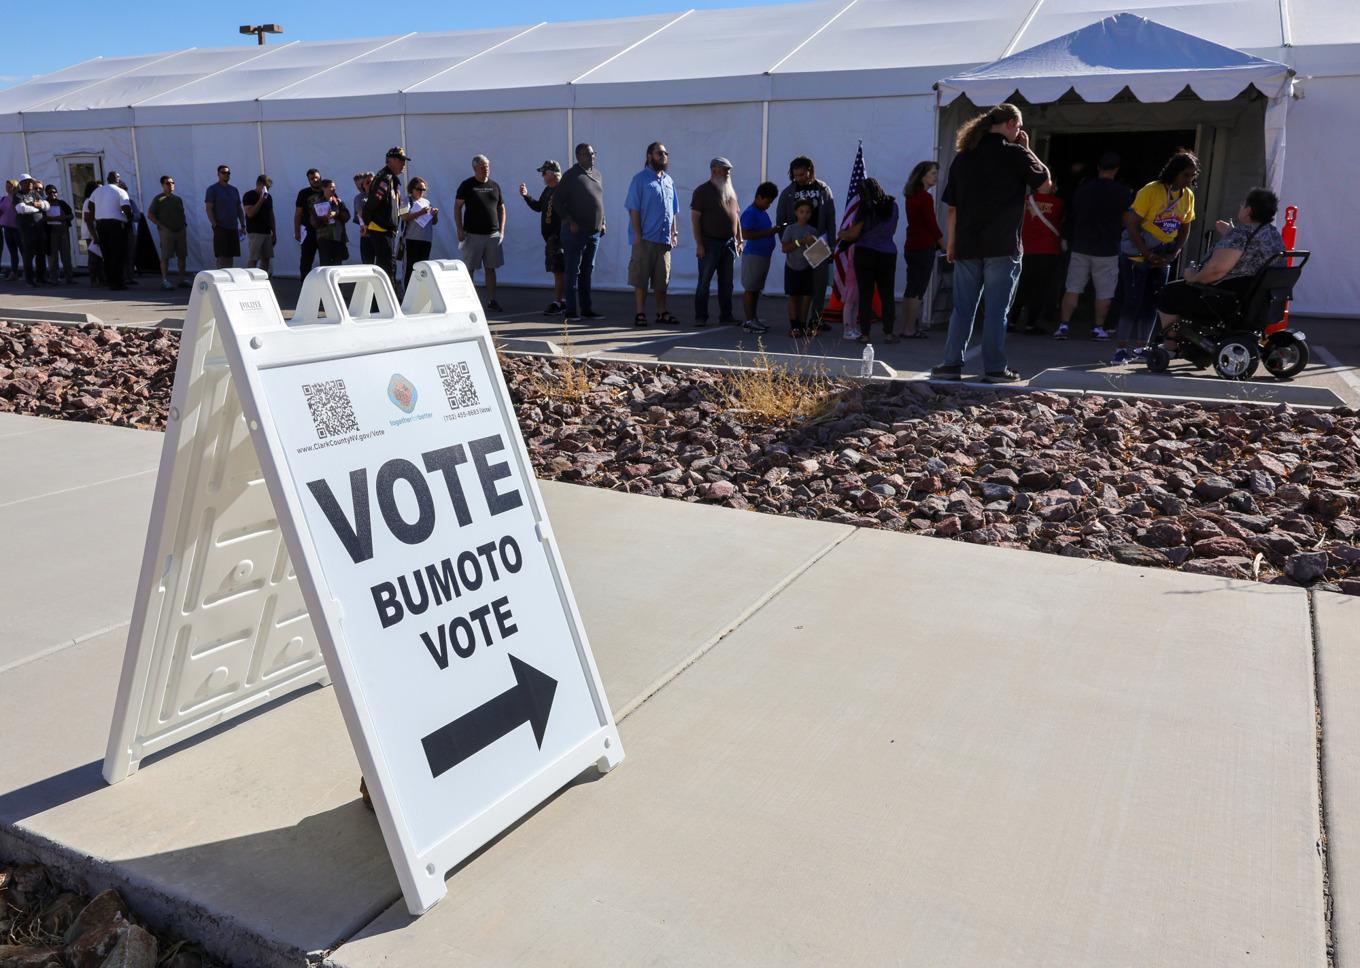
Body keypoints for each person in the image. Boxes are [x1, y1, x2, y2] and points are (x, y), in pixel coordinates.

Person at [930, 103, 1049, 383]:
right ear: (1009, 124)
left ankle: (951, 363)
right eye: (1018, 127)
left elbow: (952, 208)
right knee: (997, 310)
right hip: (1003, 244)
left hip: (967, 244)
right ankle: (995, 368)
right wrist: (1028, 148)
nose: (1019, 132)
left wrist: (951, 243)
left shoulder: (963, 157)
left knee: (963, 308)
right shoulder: (1017, 153)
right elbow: (1045, 184)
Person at [1153, 187, 1285, 346]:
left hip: (1229, 300)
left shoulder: (1240, 234)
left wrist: (1192, 277)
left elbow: (1216, 270)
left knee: (1169, 293)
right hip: (1257, 299)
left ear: (1249, 210)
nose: (1240, 207)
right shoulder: (1273, 234)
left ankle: (1170, 345)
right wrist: (1230, 233)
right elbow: (1250, 251)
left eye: (1243, 205)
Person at [1111, 149, 1198, 364]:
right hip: (1137, 258)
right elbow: (1131, 223)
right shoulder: (1152, 190)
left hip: (1162, 257)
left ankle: (1141, 348)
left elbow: (1186, 225)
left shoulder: (1188, 196)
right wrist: (1146, 252)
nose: (1190, 179)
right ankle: (1120, 350)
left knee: (1152, 304)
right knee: (1132, 302)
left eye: (1193, 175)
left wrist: (1175, 252)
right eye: (1186, 174)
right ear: (1174, 172)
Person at [1054, 152, 1132, 341]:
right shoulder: (1123, 192)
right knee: (1104, 291)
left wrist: (1067, 237)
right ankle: (1098, 327)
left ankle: (1063, 325)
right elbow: (1127, 219)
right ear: (1116, 170)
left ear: (1098, 168)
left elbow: (1072, 215)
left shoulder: (1083, 189)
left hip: (1081, 245)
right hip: (1107, 248)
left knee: (1073, 287)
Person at [836, 177, 900, 344]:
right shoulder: (893, 206)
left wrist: (842, 234)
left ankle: (865, 334)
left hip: (865, 253)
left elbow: (854, 234)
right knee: (887, 294)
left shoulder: (864, 209)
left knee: (866, 294)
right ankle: (889, 332)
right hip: (887, 252)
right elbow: (892, 229)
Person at [775, 156, 836, 327]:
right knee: (797, 285)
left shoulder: (823, 189)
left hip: (817, 244)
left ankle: (815, 319)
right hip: (796, 245)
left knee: (818, 285)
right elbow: (781, 220)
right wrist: (787, 241)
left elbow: (831, 219)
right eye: (795, 176)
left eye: (802, 174)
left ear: (810, 170)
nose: (799, 178)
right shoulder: (788, 192)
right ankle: (797, 323)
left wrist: (831, 244)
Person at [624, 142, 680, 327]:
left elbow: (673, 210)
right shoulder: (639, 180)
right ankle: (640, 313)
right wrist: (638, 234)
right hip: (645, 239)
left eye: (665, 153)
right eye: (659, 153)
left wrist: (674, 233)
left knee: (662, 280)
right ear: (649, 156)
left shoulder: (668, 181)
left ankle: (661, 312)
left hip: (663, 240)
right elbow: (633, 209)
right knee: (641, 278)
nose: (663, 156)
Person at [553, 143, 606, 322]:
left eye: (593, 153)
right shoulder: (570, 176)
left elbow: (599, 200)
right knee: (572, 270)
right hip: (575, 232)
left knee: (587, 270)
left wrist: (603, 221)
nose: (591, 157)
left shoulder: (597, 174)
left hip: (594, 232)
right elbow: (557, 202)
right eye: (586, 154)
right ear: (578, 156)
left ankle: (586, 309)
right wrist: (570, 220)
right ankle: (570, 310)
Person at [691, 157, 743, 328]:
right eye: (725, 169)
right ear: (714, 170)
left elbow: (737, 216)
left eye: (729, 170)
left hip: (728, 244)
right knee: (704, 280)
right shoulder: (702, 191)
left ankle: (726, 315)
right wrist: (699, 244)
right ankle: (701, 316)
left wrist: (739, 239)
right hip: (709, 242)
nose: (728, 173)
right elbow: (695, 219)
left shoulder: (730, 191)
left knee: (727, 282)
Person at [1009, 179, 1064, 334]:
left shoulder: (1024, 201)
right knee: (1039, 290)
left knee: (1021, 287)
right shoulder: (1057, 203)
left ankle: (1012, 321)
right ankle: (1030, 324)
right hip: (1047, 250)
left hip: (1024, 249)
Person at [455, 154, 506, 312]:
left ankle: (492, 300)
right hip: (472, 234)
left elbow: (501, 208)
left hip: (492, 235)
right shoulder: (467, 185)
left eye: (487, 166)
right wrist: (460, 229)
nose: (486, 170)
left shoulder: (495, 186)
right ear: (474, 168)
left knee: (490, 268)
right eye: (482, 167)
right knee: (469, 268)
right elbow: (457, 207)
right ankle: (469, 302)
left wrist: (501, 231)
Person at [900, 161, 944, 338]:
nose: (936, 177)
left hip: (911, 246)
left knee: (911, 288)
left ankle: (907, 327)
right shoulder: (925, 198)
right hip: (923, 247)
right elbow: (932, 225)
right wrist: (945, 244)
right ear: (923, 176)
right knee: (918, 290)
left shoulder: (912, 196)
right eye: (933, 173)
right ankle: (910, 329)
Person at [519, 160, 565, 314]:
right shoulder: (547, 191)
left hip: (559, 238)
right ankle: (562, 300)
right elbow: (539, 207)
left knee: (558, 270)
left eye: (544, 173)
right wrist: (526, 196)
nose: (542, 176)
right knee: (556, 270)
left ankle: (558, 302)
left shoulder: (563, 190)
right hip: (550, 238)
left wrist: (561, 234)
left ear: (552, 174)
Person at [362, 147, 410, 288]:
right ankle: (385, 305)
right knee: (387, 268)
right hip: (381, 229)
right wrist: (367, 224)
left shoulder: (390, 179)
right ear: (393, 160)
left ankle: (383, 303)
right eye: (402, 161)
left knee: (389, 266)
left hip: (386, 230)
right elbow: (371, 204)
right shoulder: (385, 178)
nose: (404, 165)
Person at [739, 182, 780, 334]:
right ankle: (749, 321)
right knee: (750, 289)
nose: (768, 205)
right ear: (758, 197)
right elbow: (744, 234)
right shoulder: (750, 213)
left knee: (756, 289)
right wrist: (770, 232)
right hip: (753, 255)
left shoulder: (762, 212)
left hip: (763, 255)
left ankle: (753, 318)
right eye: (767, 201)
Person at [782, 199, 818, 338]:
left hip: (807, 268)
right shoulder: (790, 229)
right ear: (796, 212)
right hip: (792, 267)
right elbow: (785, 248)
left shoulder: (813, 230)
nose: (804, 215)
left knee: (807, 297)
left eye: (808, 212)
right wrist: (800, 241)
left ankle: (803, 325)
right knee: (793, 296)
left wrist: (814, 243)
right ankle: (794, 326)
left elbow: (817, 254)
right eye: (801, 211)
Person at [90, 172, 132, 290]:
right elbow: (126, 208)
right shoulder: (121, 191)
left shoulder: (97, 191)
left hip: (101, 225)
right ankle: (118, 282)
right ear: (117, 180)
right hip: (115, 226)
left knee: (107, 254)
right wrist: (129, 217)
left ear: (107, 179)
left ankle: (109, 281)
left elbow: (90, 207)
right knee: (118, 254)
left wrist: (99, 213)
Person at [147, 174, 189, 288]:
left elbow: (182, 213)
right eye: (168, 183)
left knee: (182, 255)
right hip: (167, 232)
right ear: (162, 185)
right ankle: (164, 280)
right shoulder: (158, 199)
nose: (171, 185)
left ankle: (181, 279)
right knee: (166, 256)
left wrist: (184, 225)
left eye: (172, 183)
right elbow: (150, 214)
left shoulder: (177, 199)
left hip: (180, 231)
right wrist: (161, 226)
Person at [203, 164, 244, 270]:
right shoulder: (213, 189)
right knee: (222, 254)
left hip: (233, 227)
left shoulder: (234, 190)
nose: (226, 174)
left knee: (230, 254)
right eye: (223, 172)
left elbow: (239, 208)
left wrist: (243, 224)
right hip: (221, 226)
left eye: (228, 173)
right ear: (218, 174)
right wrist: (215, 224)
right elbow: (209, 208)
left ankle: (229, 276)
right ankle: (221, 277)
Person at [401, 176, 438, 289]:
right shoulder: (405, 201)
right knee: (410, 267)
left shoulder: (427, 202)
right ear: (411, 188)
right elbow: (404, 217)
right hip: (411, 239)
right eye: (418, 189)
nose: (421, 192)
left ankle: (419, 291)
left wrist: (434, 215)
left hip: (426, 239)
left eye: (423, 189)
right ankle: (406, 291)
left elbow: (434, 222)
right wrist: (421, 213)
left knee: (423, 267)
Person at [14, 176, 51, 286]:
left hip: (39, 228)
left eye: (31, 182)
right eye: (28, 182)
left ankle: (41, 277)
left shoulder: (35, 194)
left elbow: (47, 206)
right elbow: (21, 209)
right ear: (22, 183)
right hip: (27, 229)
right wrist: (38, 207)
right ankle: (29, 279)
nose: (31, 184)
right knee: (29, 255)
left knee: (41, 253)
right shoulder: (18, 195)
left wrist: (41, 205)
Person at [308, 179, 350, 267]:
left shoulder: (338, 202)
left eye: (334, 187)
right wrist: (324, 218)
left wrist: (337, 214)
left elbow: (347, 216)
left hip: (338, 237)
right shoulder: (317, 203)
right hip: (324, 238)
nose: (333, 189)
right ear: (323, 188)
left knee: (337, 264)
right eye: (331, 187)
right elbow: (313, 222)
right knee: (325, 264)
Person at [242, 174, 276, 274]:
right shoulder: (249, 195)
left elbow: (271, 214)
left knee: (266, 258)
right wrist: (261, 200)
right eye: (266, 187)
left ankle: (262, 279)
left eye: (269, 188)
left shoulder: (269, 197)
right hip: (255, 232)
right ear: (259, 184)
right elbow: (250, 213)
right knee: (254, 258)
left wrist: (274, 231)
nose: (267, 190)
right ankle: (248, 280)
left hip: (266, 231)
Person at [43, 184, 75, 285]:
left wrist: (64, 217)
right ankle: (54, 278)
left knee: (66, 256)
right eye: (50, 192)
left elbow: (71, 215)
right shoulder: (44, 204)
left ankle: (69, 278)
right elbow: (41, 217)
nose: (53, 194)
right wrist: (49, 219)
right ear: (46, 193)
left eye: (55, 192)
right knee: (53, 257)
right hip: (51, 233)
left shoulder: (62, 203)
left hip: (63, 232)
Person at [294, 168, 322, 277]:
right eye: (312, 178)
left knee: (325, 259)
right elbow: (298, 213)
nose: (315, 180)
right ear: (308, 180)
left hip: (324, 231)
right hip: (308, 231)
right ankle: (304, 284)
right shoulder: (303, 193)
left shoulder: (327, 190)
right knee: (306, 259)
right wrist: (297, 231)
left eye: (316, 177)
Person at [353, 172, 374, 265]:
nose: (360, 187)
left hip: (376, 234)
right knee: (367, 263)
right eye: (357, 185)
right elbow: (359, 216)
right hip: (366, 234)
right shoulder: (359, 197)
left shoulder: (377, 195)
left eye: (361, 184)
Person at [0, 181, 20, 281]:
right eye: (7, 186)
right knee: (13, 252)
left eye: (10, 186)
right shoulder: (3, 199)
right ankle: (14, 272)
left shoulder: (19, 198)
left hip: (18, 229)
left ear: (16, 187)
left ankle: (28, 272)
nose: (8, 188)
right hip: (7, 228)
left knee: (23, 251)